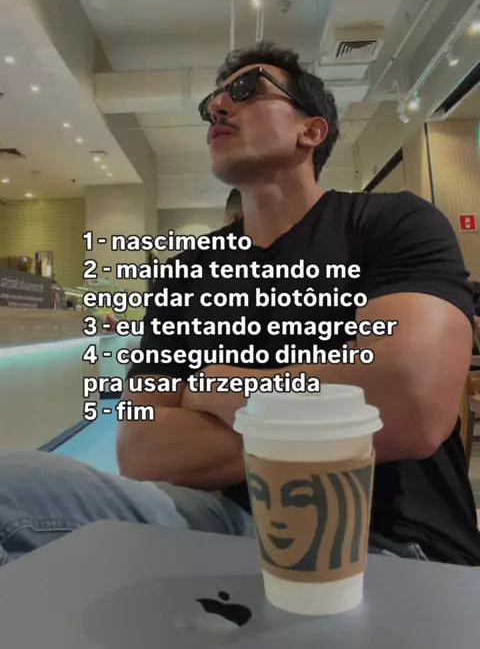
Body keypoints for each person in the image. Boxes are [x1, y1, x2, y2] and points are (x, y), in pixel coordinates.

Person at [0, 43, 478, 567]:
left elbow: (409, 403)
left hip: (386, 539)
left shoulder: (392, 223)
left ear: (311, 130)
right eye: (212, 103)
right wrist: (338, 417)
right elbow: (141, 448)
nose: (218, 108)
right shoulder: (185, 273)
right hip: (217, 523)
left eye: (247, 90)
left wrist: (214, 388)